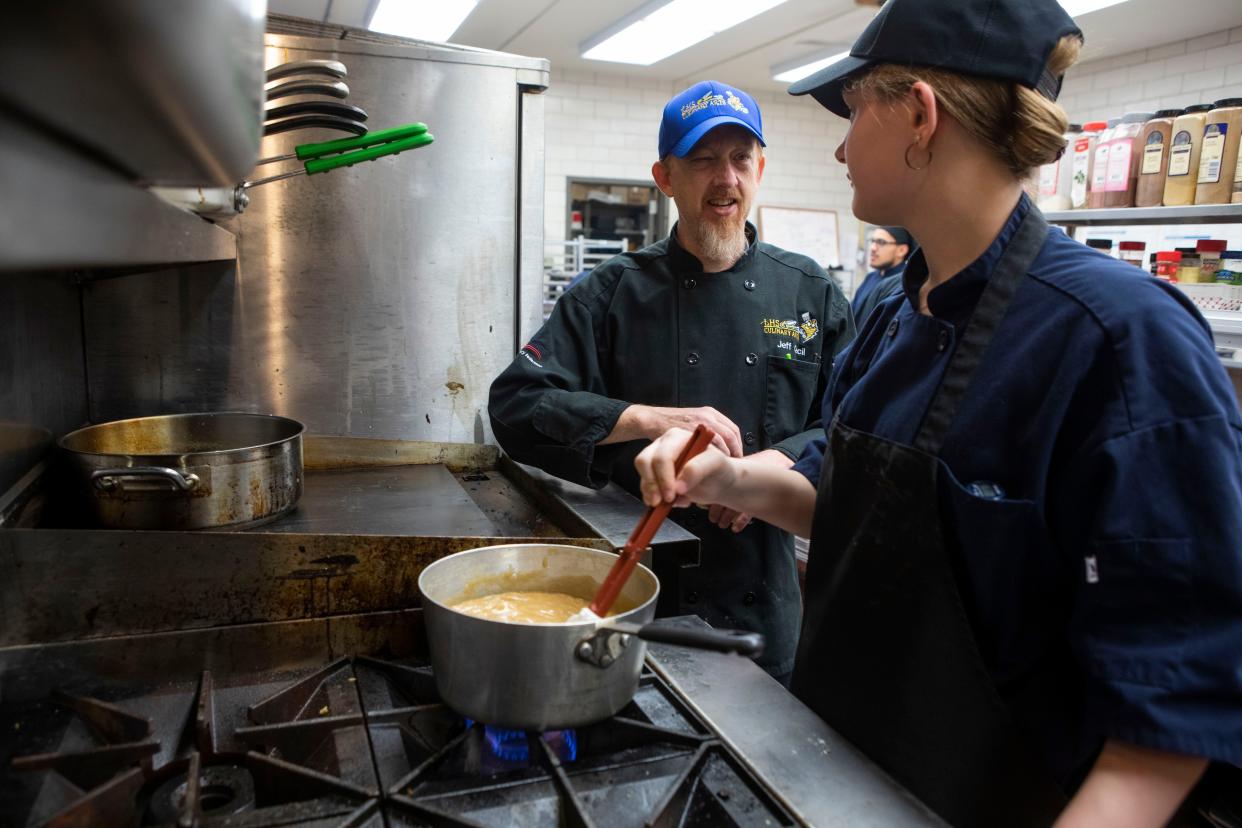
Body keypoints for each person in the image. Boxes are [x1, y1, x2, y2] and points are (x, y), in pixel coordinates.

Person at [632, 1, 1242, 825]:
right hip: (841, 779)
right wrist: (733, 478)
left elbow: (1170, 720)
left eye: (853, 115)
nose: (842, 149)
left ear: (920, 115)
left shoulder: (1119, 339)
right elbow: (862, 514)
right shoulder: (891, 305)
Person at [488, 80, 855, 682]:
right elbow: (516, 404)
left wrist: (761, 473)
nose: (725, 178)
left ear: (759, 170)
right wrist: (649, 418)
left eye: (740, 159)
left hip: (761, 609)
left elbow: (848, 424)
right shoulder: (609, 294)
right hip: (637, 592)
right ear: (665, 176)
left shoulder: (809, 292)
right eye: (704, 160)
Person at [851, 225, 912, 325]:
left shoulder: (904, 284)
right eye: (872, 241)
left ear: (901, 250)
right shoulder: (871, 277)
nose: (873, 248)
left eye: (881, 242)